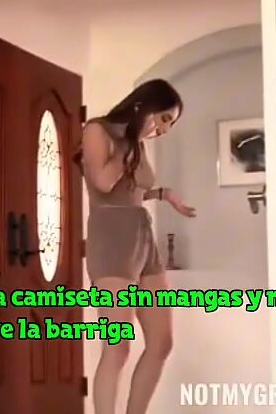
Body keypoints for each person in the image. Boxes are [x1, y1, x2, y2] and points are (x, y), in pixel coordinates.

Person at [74, 78, 196, 414]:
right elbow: (103, 182)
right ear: (145, 106)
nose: (165, 129)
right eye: (165, 118)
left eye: (170, 124)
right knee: (118, 347)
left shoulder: (138, 144)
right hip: (111, 239)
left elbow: (132, 189)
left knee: (161, 343)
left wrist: (164, 194)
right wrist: (131, 140)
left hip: (142, 237)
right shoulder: (97, 130)